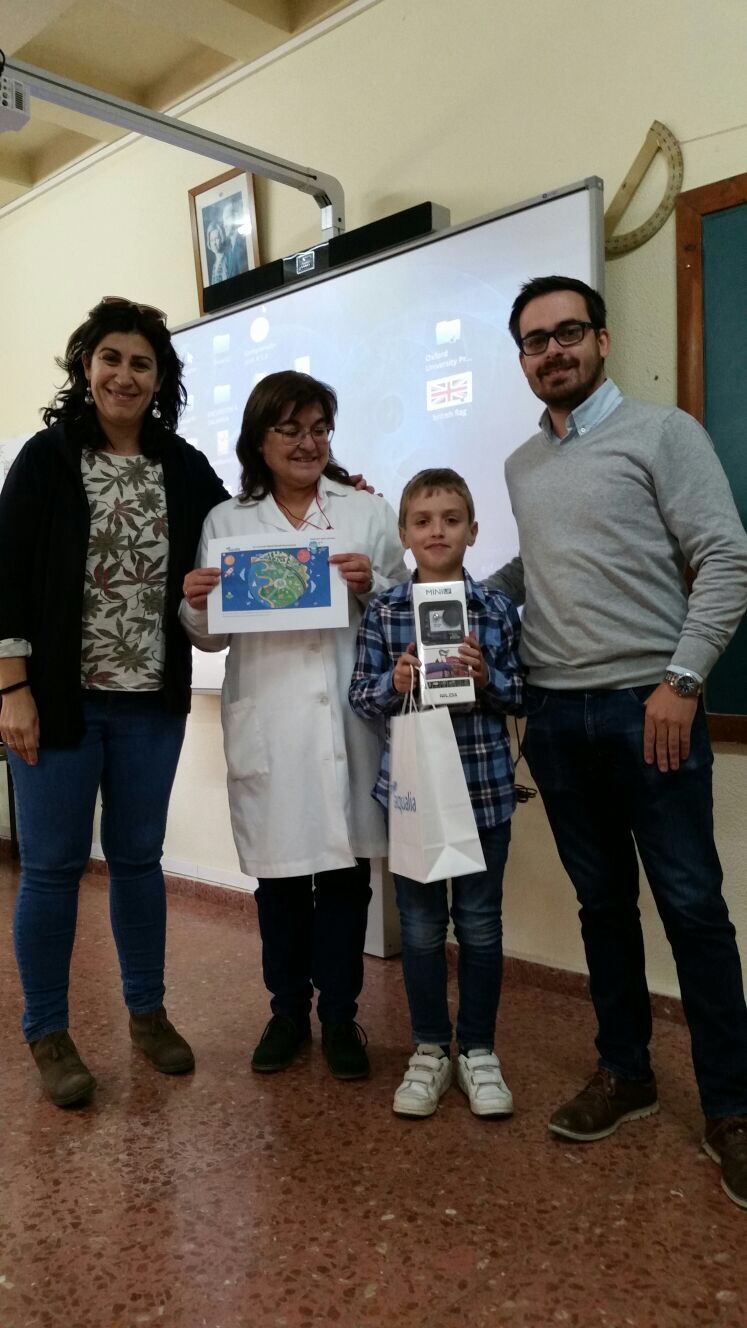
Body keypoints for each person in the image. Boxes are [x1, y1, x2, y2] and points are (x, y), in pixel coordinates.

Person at [489, 274, 747, 1209]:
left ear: (600, 340)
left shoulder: (661, 433)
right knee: (601, 906)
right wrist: (442, 593)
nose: (551, 350)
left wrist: (681, 682)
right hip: (556, 719)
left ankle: (731, 1110)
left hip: (650, 708)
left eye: (567, 332)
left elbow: (725, 557)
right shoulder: (522, 465)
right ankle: (625, 1072)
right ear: (521, 359)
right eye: (534, 340)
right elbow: (535, 570)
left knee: (692, 907)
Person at [0, 297, 229, 1107]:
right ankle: (48, 1030)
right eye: (111, 358)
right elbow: (6, 577)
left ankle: (147, 1014)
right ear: (85, 366)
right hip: (56, 703)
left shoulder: (183, 466)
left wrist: (334, 493)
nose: (124, 375)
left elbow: (242, 530)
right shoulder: (47, 458)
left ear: (159, 378)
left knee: (137, 862)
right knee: (52, 869)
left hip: (149, 706)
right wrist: (12, 690)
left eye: (141, 363)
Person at [180, 370, 407, 1081]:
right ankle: (286, 1014)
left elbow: (406, 614)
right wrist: (195, 603)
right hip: (270, 725)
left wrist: (374, 587)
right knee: (278, 886)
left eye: (319, 429)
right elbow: (210, 636)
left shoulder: (367, 512)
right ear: (260, 440)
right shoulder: (227, 522)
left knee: (344, 882)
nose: (307, 443)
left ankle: (340, 1017)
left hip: (348, 724)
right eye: (290, 429)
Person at [350, 468, 524, 1118]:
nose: (437, 531)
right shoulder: (386, 611)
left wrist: (489, 679)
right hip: (414, 799)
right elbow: (360, 696)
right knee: (420, 931)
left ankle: (477, 1050)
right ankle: (428, 1049)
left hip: (483, 792)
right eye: (422, 521)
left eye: (451, 520)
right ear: (403, 534)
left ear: (472, 531)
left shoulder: (496, 610)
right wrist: (393, 683)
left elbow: (524, 694)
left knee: (479, 927)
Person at [221, 201, 249, 279]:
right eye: (223, 221)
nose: (224, 225)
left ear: (236, 217)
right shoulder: (229, 251)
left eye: (226, 218)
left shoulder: (243, 244)